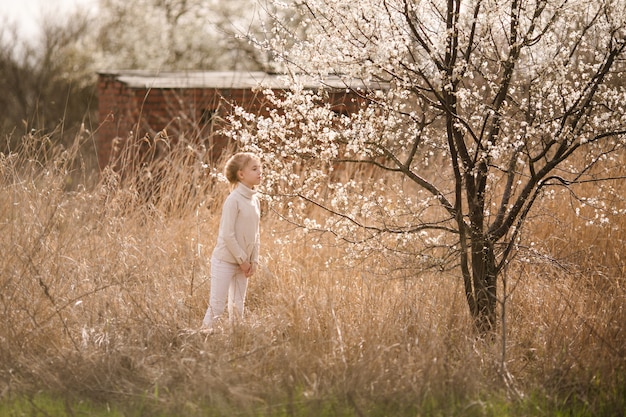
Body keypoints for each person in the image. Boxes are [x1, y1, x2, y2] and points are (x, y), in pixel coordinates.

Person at [202, 152, 262, 329]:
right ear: (241, 174)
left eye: (260, 168)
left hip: (244, 264)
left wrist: (254, 260)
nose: (260, 172)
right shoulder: (233, 200)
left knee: (237, 309)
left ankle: (235, 346)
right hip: (225, 261)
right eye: (254, 168)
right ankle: (202, 342)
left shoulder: (255, 200)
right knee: (217, 307)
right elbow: (227, 234)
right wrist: (243, 260)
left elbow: (256, 233)